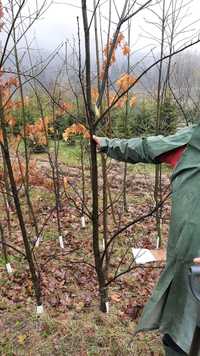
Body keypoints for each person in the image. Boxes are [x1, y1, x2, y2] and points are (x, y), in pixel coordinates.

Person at [93, 124, 200, 356]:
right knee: (178, 331)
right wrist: (108, 144)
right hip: (186, 268)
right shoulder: (192, 142)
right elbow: (147, 146)